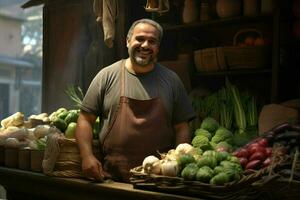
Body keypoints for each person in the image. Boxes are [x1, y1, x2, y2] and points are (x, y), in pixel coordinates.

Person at [75, 18, 196, 182]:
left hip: (159, 182)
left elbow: (182, 127)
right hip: (112, 179)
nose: (145, 45)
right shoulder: (107, 76)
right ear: (127, 41)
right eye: (140, 39)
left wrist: (177, 162)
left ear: (158, 48)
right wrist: (87, 156)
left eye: (152, 41)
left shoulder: (171, 80)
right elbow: (85, 119)